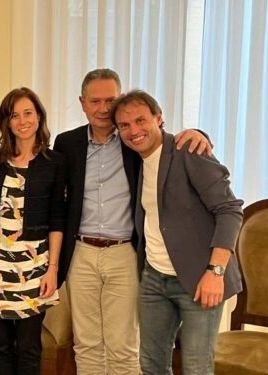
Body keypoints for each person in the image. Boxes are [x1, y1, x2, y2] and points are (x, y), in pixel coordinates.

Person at [53, 69, 211, 374]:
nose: (103, 108)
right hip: (81, 254)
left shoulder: (133, 139)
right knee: (85, 344)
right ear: (82, 103)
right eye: (95, 101)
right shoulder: (66, 144)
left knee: (123, 345)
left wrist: (200, 133)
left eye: (110, 100)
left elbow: (168, 143)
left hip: (124, 252)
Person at [112, 90, 243, 375]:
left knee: (196, 368)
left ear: (159, 119)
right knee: (152, 365)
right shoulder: (135, 157)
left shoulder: (188, 151)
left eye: (140, 120)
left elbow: (230, 211)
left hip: (200, 280)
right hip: (154, 279)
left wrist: (215, 271)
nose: (134, 130)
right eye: (124, 125)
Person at [0, 87, 65, 374]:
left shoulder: (54, 163)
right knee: (0, 347)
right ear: (7, 122)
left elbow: (57, 219)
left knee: (29, 347)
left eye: (28, 113)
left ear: (39, 116)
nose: (22, 121)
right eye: (14, 115)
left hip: (34, 266)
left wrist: (52, 269)